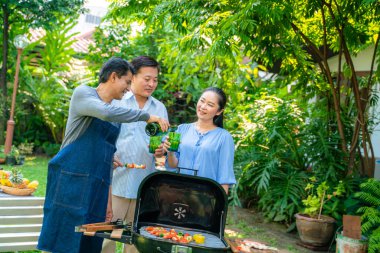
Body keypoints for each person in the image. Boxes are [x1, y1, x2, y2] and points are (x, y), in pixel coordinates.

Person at [37, 57, 169, 253]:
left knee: (91, 239)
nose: (128, 87)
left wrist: (109, 158)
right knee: (65, 237)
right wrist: (146, 116)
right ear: (114, 77)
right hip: (71, 180)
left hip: (96, 185)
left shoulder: (117, 115)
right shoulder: (84, 94)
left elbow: (107, 146)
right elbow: (105, 112)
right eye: (127, 82)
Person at [101, 56, 167, 253]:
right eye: (147, 78)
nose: (151, 84)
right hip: (116, 182)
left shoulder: (160, 108)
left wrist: (162, 149)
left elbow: (163, 143)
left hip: (144, 186)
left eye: (155, 80)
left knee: (138, 242)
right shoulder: (117, 102)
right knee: (107, 238)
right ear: (133, 76)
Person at [163, 87, 236, 193]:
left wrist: (221, 205)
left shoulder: (224, 137)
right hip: (179, 192)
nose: (203, 107)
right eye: (202, 101)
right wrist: (170, 152)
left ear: (219, 111)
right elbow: (173, 165)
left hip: (206, 197)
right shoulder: (182, 129)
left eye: (210, 105)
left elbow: (224, 176)